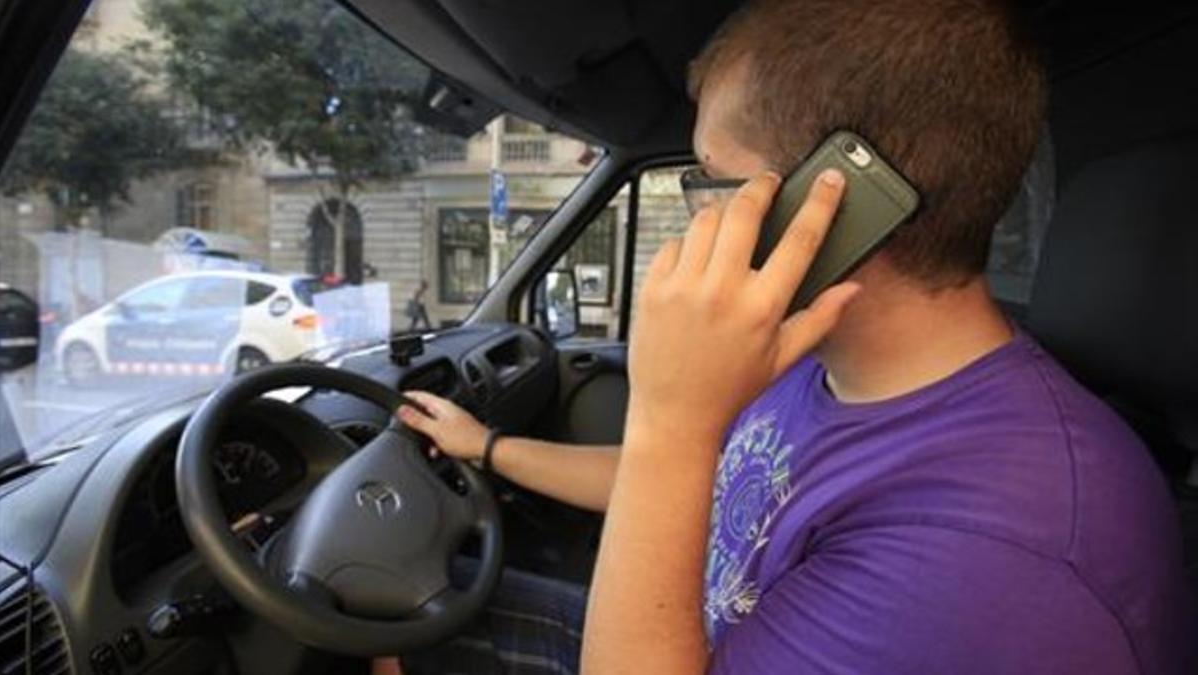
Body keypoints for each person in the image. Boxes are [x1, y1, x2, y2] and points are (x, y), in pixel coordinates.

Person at [380, 0, 1194, 673]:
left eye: (712, 178)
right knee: (389, 604)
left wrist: (672, 413)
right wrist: (487, 447)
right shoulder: (824, 360)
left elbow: (679, 462)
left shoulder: (995, 554)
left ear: (834, 206)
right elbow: (710, 484)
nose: (696, 220)